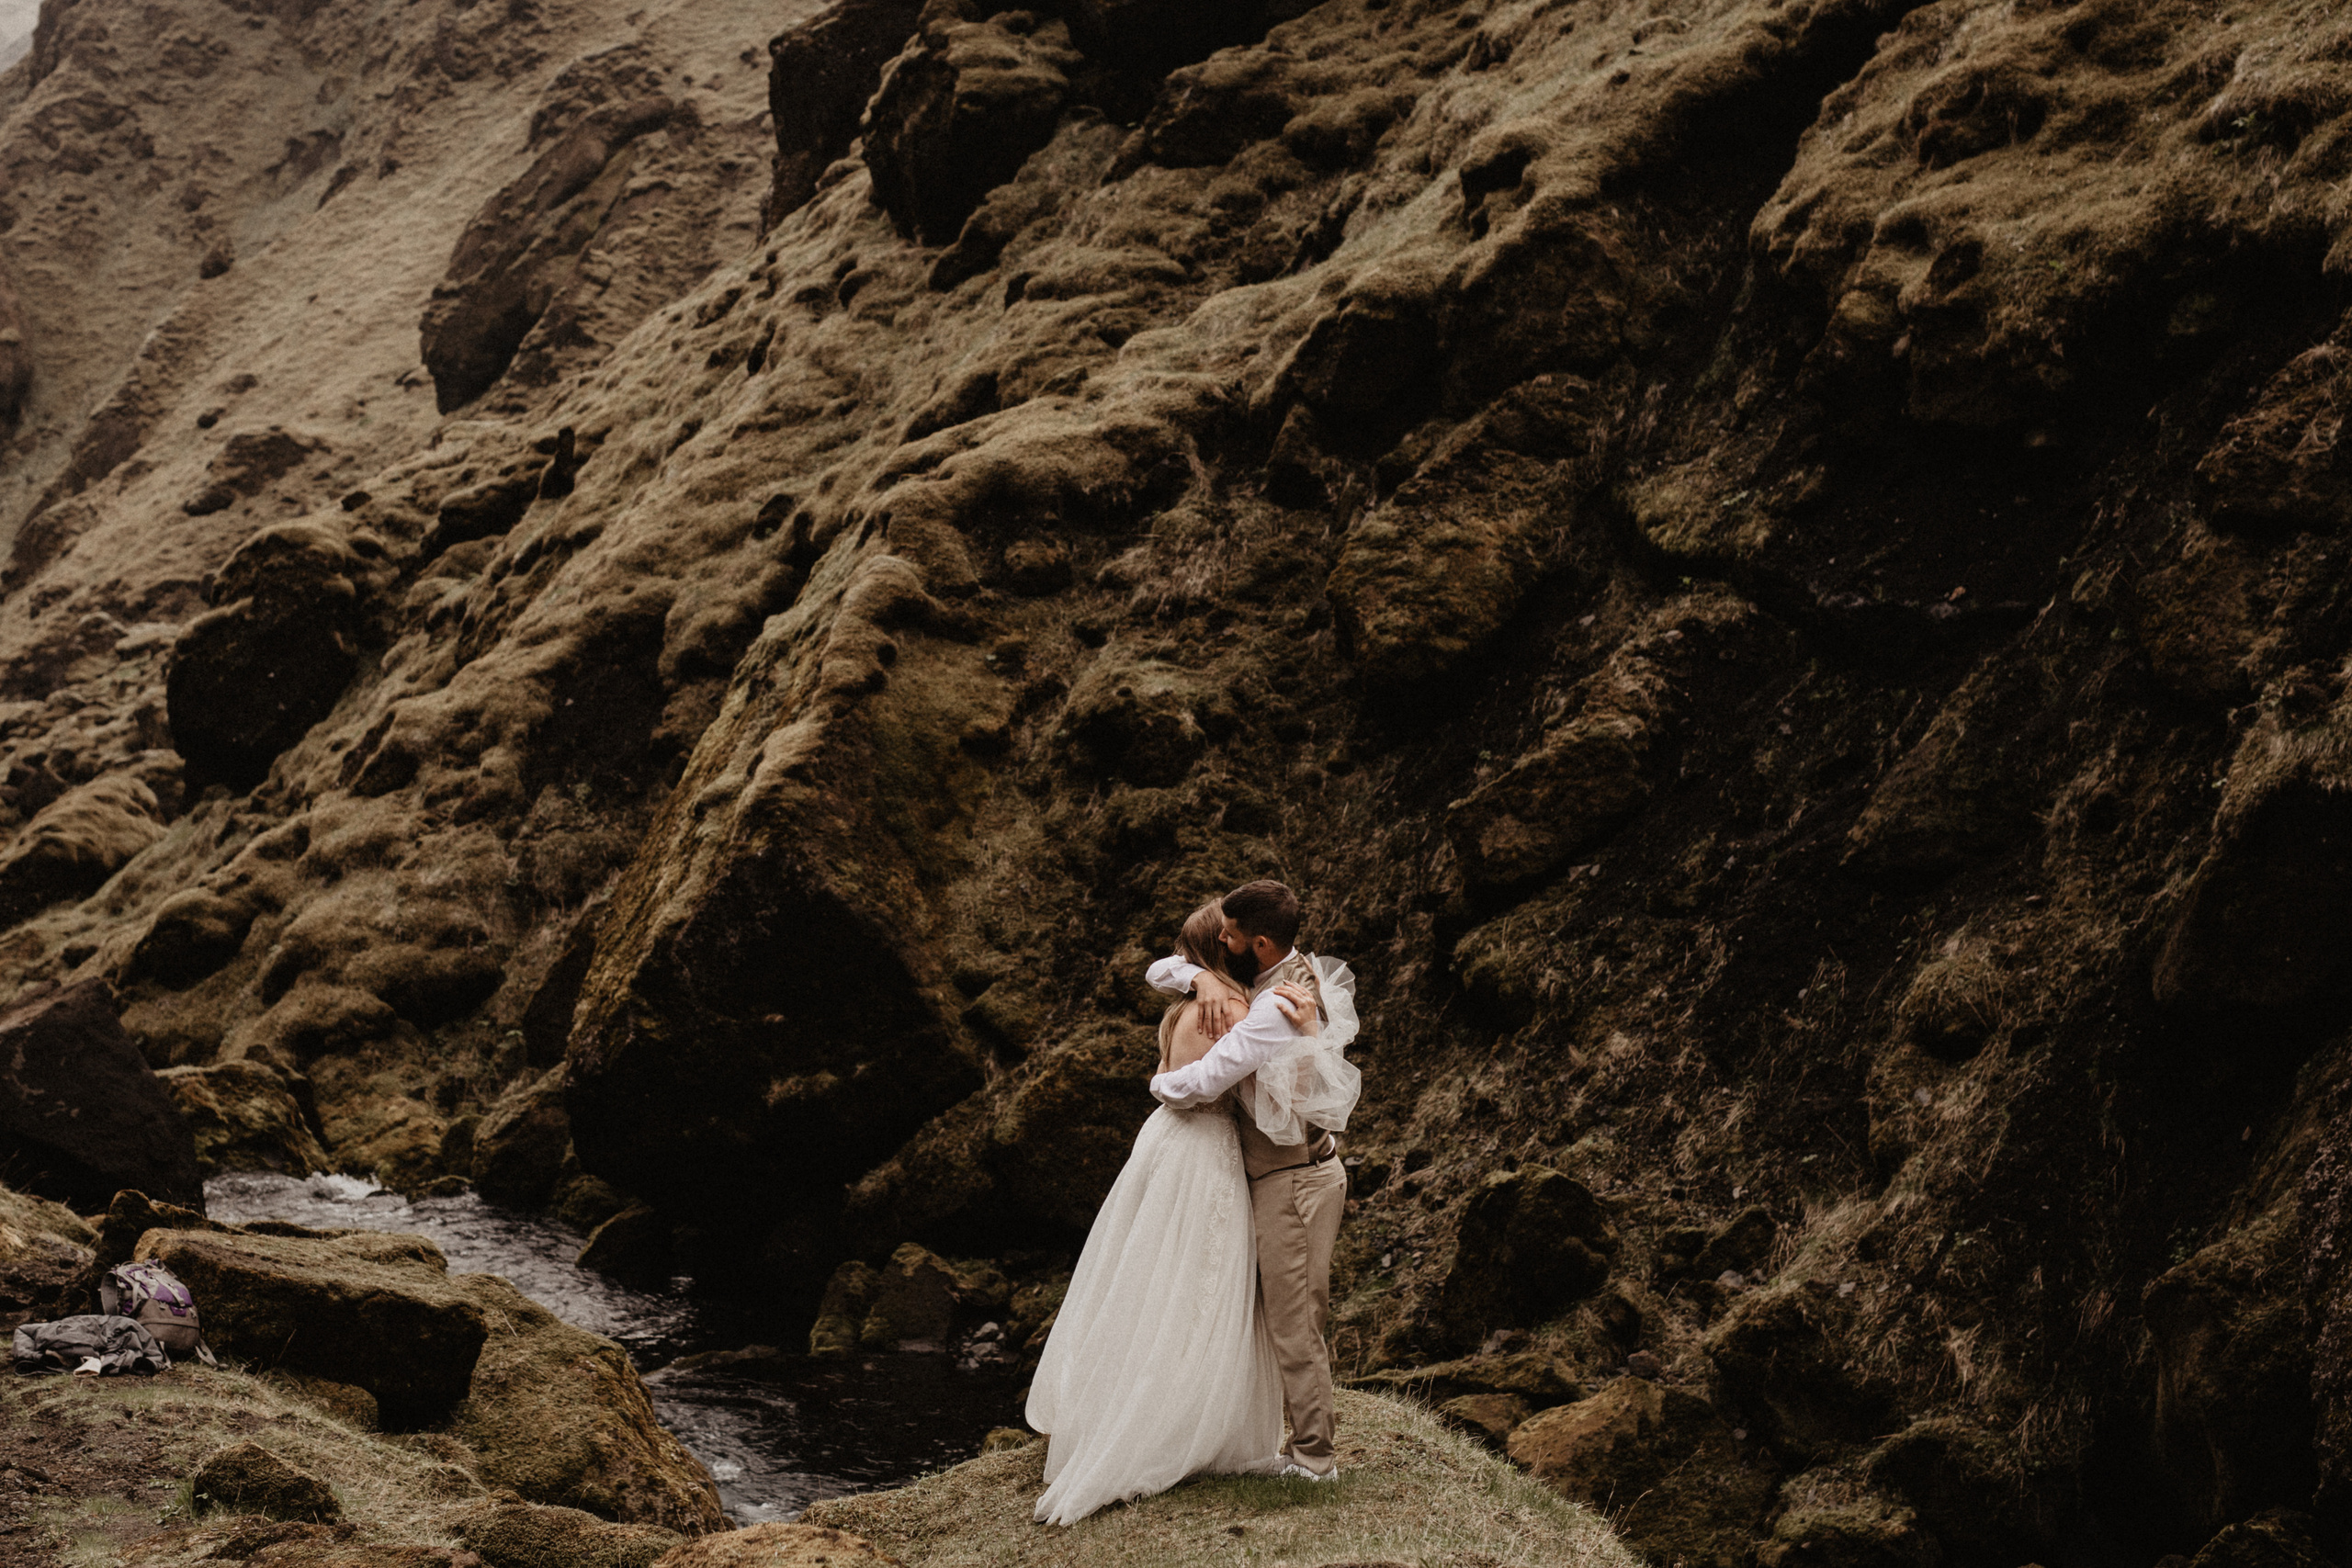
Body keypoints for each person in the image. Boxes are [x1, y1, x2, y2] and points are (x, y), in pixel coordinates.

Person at [1024, 901, 1314, 1525]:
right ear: (1228, 949)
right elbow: (1216, 1083)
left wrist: (1197, 981)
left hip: (1162, 1142)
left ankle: (1110, 1404)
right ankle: (1171, 1421)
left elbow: (1168, 975)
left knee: (1144, 1275)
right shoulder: (1229, 1006)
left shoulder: (1186, 1001)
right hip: (1202, 1148)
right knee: (1194, 1286)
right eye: (1230, 939)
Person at [1147, 878, 1361, 1482]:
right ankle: (1292, 1444)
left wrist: (1157, 1085)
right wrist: (1202, 977)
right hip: (1287, 1173)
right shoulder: (1272, 971)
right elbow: (1158, 969)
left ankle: (1315, 1459)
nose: (1222, 938)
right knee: (1281, 1317)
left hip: (1292, 1179)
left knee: (1294, 1324)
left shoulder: (1274, 1006)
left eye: (1231, 936)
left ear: (1259, 944)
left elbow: (1205, 1079)